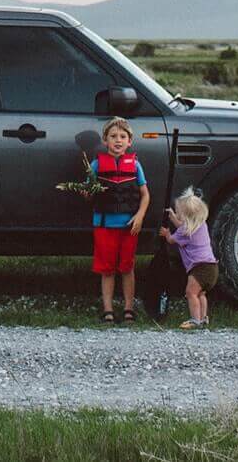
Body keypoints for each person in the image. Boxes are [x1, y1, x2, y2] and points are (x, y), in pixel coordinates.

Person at [88, 116, 150, 324]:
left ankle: (128, 308)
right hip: (104, 225)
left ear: (129, 141)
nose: (118, 140)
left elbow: (145, 194)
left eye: (123, 136)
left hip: (128, 227)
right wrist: (86, 190)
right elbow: (88, 193)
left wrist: (140, 216)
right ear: (105, 141)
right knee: (107, 269)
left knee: (127, 267)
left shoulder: (135, 166)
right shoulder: (96, 165)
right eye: (113, 136)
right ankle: (107, 309)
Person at [161, 190, 218, 329]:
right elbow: (183, 226)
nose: (177, 214)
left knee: (191, 293)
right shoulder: (201, 225)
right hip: (212, 268)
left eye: (179, 212)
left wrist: (166, 233)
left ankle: (195, 320)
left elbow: (171, 240)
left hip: (199, 268)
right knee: (201, 294)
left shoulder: (184, 231)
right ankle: (204, 318)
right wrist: (173, 217)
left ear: (185, 215)